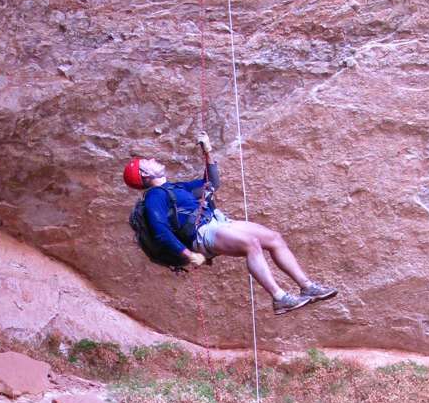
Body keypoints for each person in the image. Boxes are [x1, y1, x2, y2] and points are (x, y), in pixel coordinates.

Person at [123, 134, 337, 313]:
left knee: (274, 238)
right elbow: (161, 231)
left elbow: (212, 183)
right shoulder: (154, 197)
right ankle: (279, 297)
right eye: (147, 162)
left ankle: (307, 287)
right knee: (251, 244)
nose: (152, 158)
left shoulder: (176, 188)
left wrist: (208, 152)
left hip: (217, 222)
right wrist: (188, 255)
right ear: (144, 173)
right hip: (201, 233)